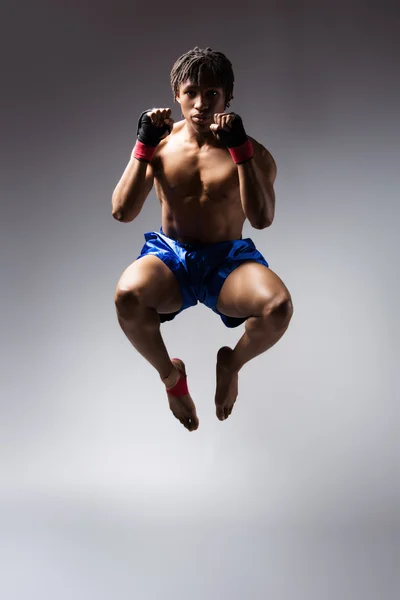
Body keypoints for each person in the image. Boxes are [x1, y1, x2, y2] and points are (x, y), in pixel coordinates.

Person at [112, 47, 293, 432]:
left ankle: (232, 363)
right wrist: (142, 145)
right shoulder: (159, 146)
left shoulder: (253, 152)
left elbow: (262, 220)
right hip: (171, 258)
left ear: (227, 97)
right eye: (191, 92)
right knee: (127, 297)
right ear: (176, 94)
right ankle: (172, 378)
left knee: (277, 307)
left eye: (212, 94)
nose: (200, 103)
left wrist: (241, 151)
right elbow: (122, 212)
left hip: (226, 262)